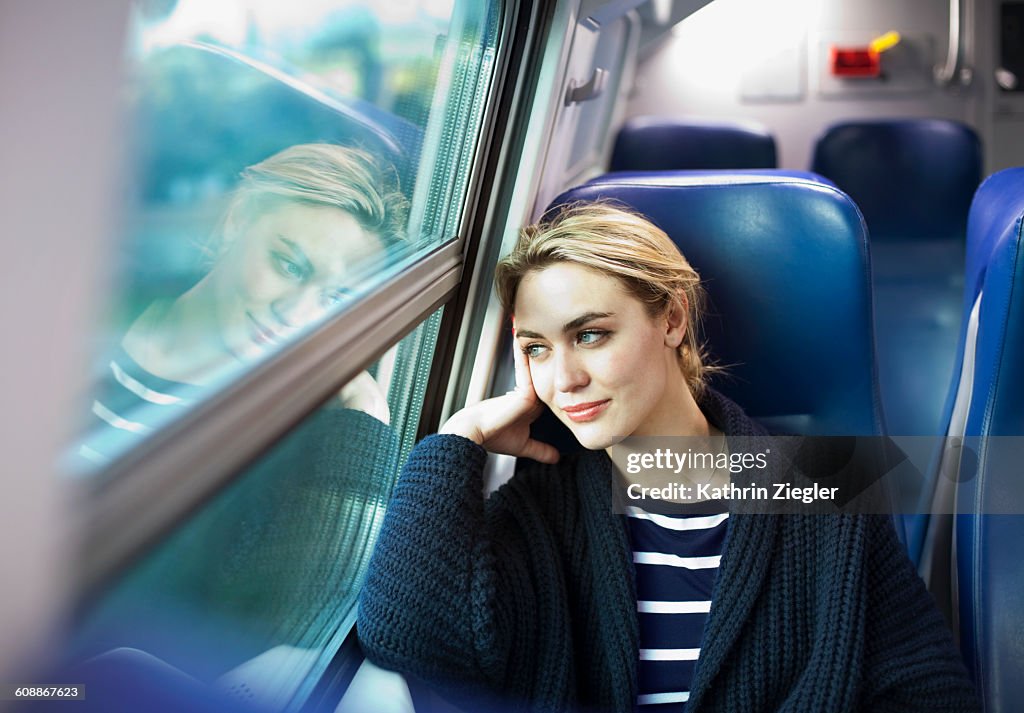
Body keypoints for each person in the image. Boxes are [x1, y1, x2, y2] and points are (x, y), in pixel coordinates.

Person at [357, 202, 981, 712]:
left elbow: (927, 691)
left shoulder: (820, 485)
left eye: (590, 334)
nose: (564, 378)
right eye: (537, 349)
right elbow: (408, 639)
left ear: (673, 319)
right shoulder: (538, 505)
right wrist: (458, 441)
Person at [79, 142, 406, 467]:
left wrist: (362, 419)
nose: (295, 315)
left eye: (335, 298)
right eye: (290, 266)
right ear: (238, 220)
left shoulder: (291, 435)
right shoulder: (93, 309)